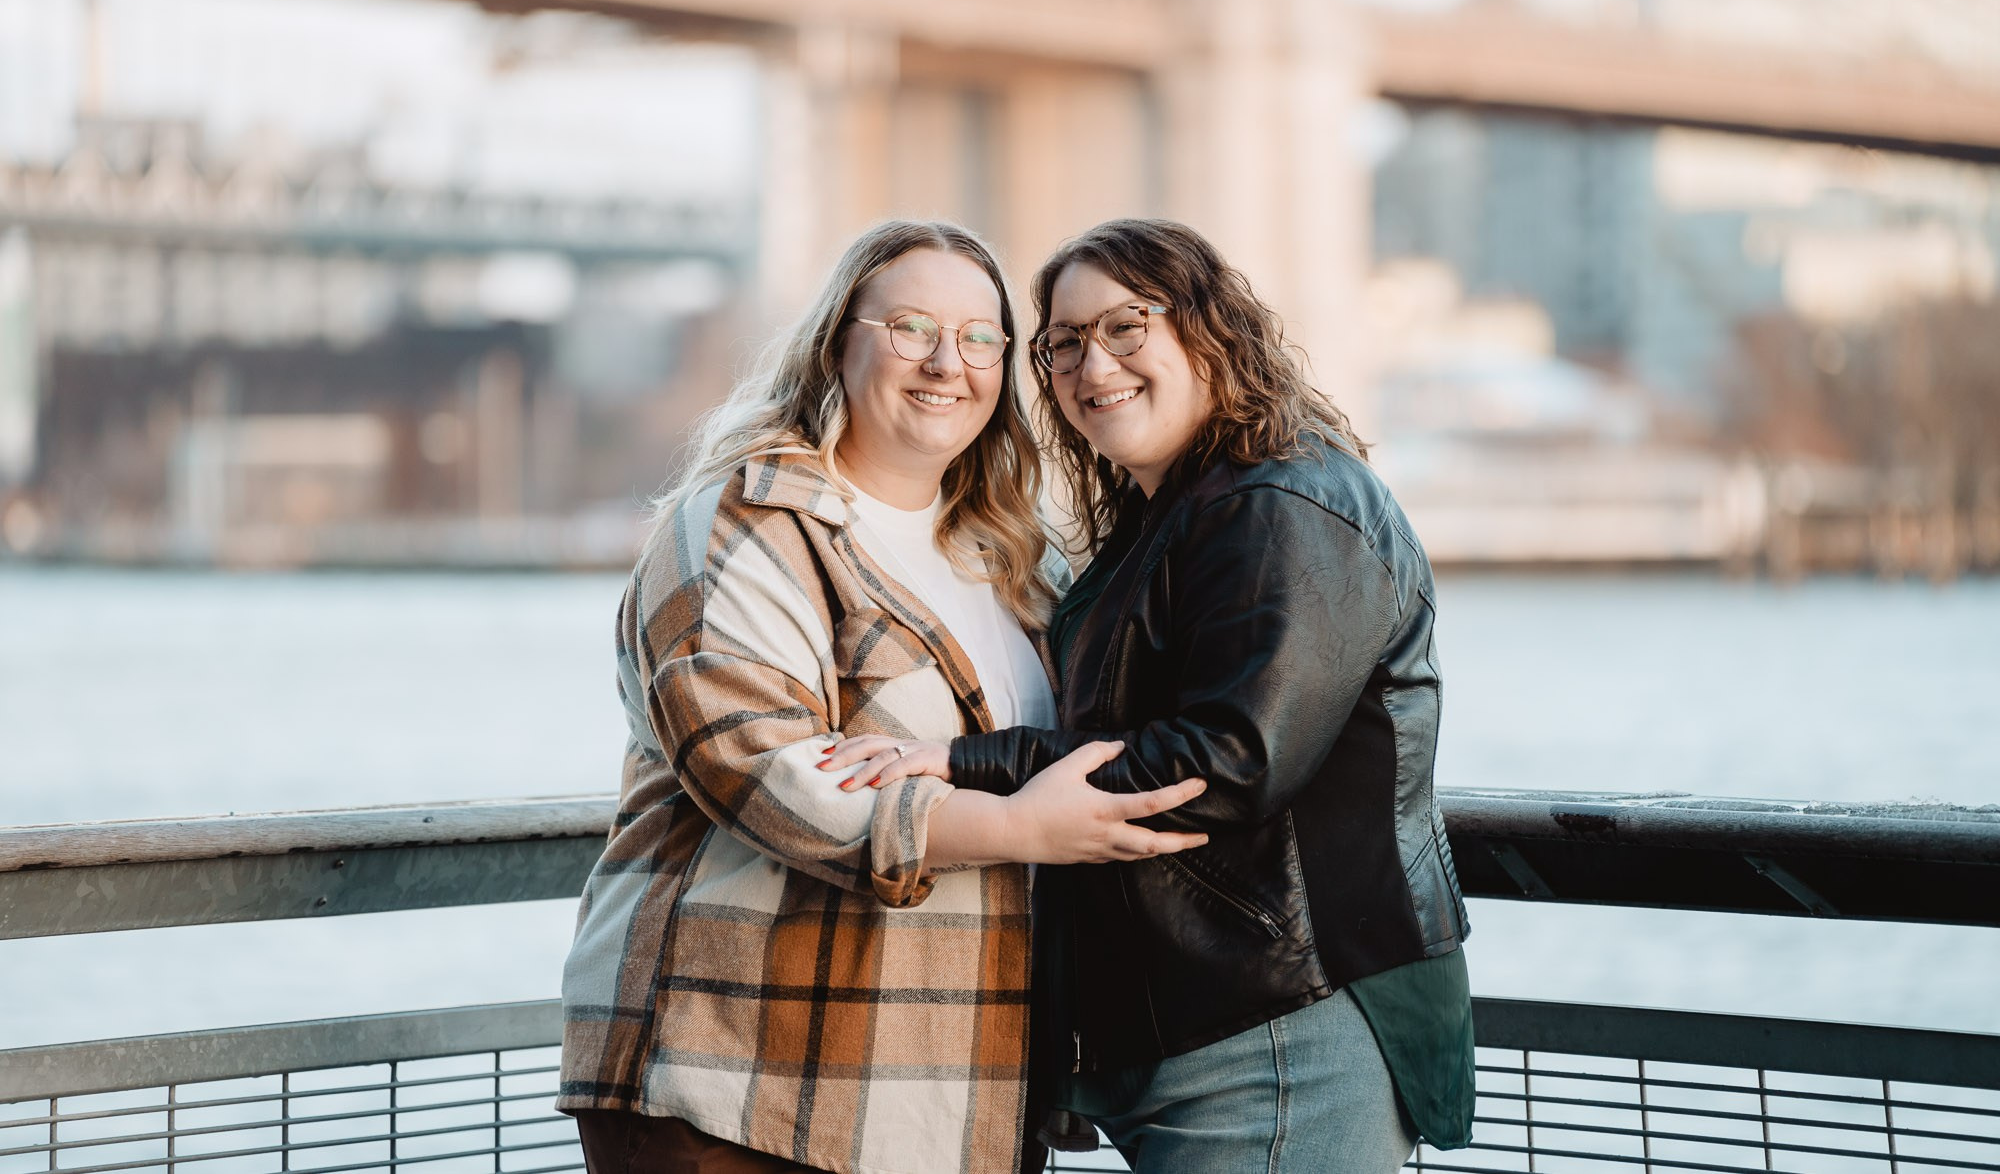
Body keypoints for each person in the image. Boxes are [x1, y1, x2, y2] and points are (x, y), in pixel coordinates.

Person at [556, 219, 1209, 1174]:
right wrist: (1024, 826)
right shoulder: (744, 524)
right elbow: (767, 773)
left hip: (953, 1100)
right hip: (741, 1083)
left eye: (981, 337)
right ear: (837, 342)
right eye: (910, 327)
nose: (949, 362)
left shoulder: (1015, 558)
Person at [827, 219, 1477, 1172]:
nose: (1095, 365)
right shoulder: (1178, 516)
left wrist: (971, 761)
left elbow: (1229, 760)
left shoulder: (1282, 502)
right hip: (1207, 1027)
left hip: (1283, 1032)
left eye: (1127, 327)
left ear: (1210, 332)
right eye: (1064, 344)